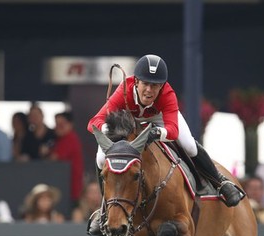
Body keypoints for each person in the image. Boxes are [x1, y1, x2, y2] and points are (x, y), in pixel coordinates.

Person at [87, 54, 244, 209]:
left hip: (159, 118)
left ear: (162, 86)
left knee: (189, 145)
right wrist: (110, 128)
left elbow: (173, 131)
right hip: (129, 121)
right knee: (101, 158)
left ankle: (220, 182)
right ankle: (104, 208)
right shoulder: (124, 90)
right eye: (145, 84)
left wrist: (156, 133)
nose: (149, 90)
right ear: (136, 81)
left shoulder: (167, 94)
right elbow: (94, 123)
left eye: (155, 85)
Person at [51, 111, 85, 203]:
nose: (57, 127)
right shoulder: (61, 139)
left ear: (70, 125)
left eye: (61, 124)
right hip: (65, 186)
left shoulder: (70, 138)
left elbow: (54, 158)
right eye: (56, 124)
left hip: (71, 187)